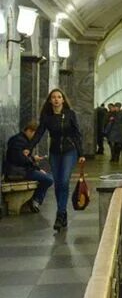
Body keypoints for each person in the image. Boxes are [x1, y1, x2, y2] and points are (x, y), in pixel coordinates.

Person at [30, 88, 85, 233]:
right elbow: (39, 133)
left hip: (69, 151)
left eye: (59, 97)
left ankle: (60, 214)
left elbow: (76, 134)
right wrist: (29, 148)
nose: (56, 99)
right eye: (53, 97)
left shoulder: (70, 114)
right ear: (50, 100)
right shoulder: (47, 117)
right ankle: (63, 214)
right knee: (57, 184)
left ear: (63, 100)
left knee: (64, 181)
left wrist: (81, 153)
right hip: (54, 152)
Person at [4, 121, 53, 212]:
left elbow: (25, 159)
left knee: (48, 176)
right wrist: (34, 159)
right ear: (30, 131)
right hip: (17, 172)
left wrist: (38, 168)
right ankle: (36, 200)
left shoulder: (22, 139)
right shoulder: (19, 141)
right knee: (48, 179)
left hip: (22, 170)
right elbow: (19, 159)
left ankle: (34, 200)